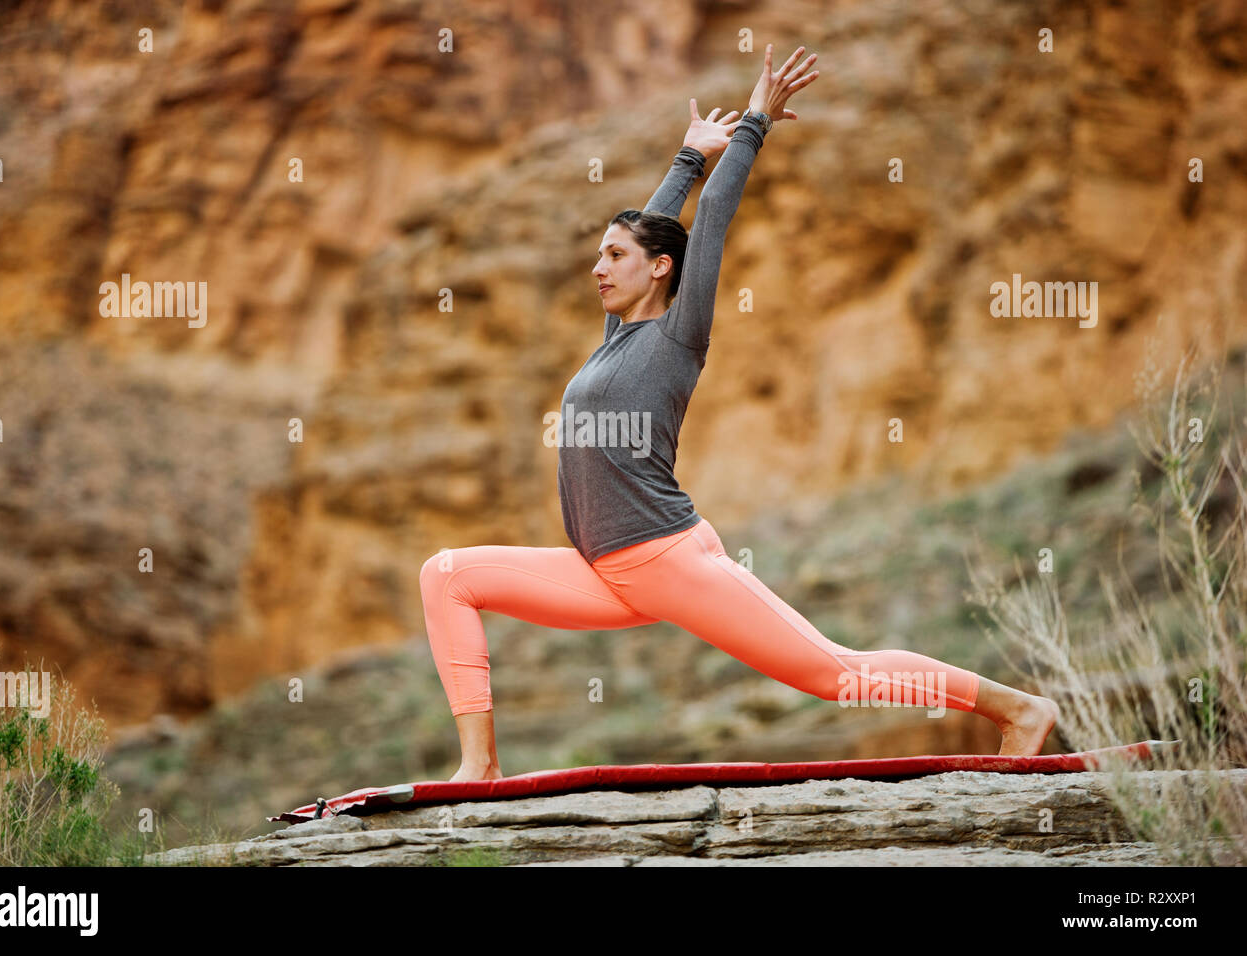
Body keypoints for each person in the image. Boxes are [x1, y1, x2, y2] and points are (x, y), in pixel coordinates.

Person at [420, 44, 1060, 782]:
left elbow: (708, 224)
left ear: (659, 270)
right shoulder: (614, 339)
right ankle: (480, 766)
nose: (597, 267)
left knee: (833, 674)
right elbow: (654, 225)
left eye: (612, 256)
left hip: (667, 560)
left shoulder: (676, 334)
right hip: (599, 570)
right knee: (446, 575)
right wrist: (687, 157)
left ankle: (1018, 710)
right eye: (597, 254)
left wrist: (753, 121)